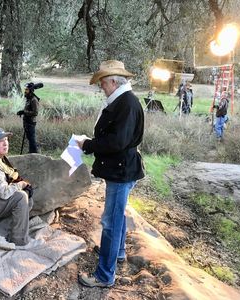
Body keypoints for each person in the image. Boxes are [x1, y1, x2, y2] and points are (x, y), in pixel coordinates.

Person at [76, 60, 145, 287]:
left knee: (110, 222)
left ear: (114, 81)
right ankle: (118, 252)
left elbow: (117, 142)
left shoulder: (126, 104)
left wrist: (88, 145)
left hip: (121, 171)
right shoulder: (123, 100)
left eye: (103, 83)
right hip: (121, 168)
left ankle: (104, 275)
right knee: (117, 214)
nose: (101, 87)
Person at [17, 83, 40, 153]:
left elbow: (35, 113)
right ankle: (31, 152)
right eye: (25, 89)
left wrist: (24, 112)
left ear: (30, 90)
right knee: (30, 138)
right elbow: (28, 110)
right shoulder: (28, 99)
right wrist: (22, 112)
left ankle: (34, 153)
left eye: (26, 90)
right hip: (26, 121)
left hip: (31, 122)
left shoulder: (34, 100)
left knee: (32, 139)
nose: (25, 91)